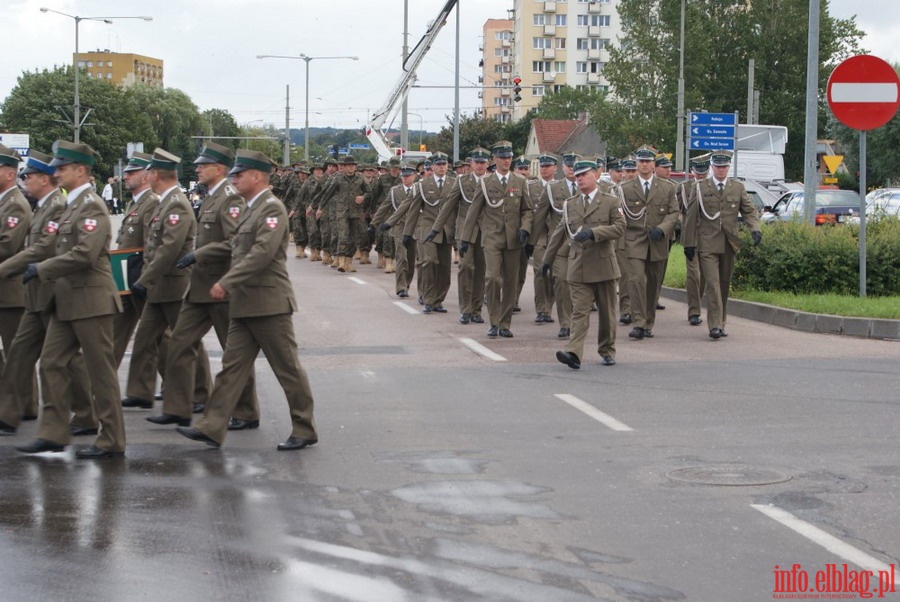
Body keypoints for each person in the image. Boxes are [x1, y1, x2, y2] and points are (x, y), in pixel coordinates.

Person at [177, 149, 318, 451]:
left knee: (288, 370)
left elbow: (261, 254)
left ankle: (304, 429)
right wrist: (201, 255)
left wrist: (226, 282)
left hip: (268, 305)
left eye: (239, 175)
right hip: (243, 305)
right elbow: (233, 245)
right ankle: (212, 427)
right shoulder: (249, 207)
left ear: (257, 177)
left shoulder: (272, 209)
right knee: (231, 369)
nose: (234, 179)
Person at [15, 140, 125, 459]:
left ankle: (112, 440)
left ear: (80, 170)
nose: (56, 173)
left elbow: (85, 254)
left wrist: (41, 269)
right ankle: (53, 432)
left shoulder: (90, 204)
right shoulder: (70, 205)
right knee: (50, 362)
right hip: (67, 301)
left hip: (92, 301)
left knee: (101, 373)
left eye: (62, 168)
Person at [147, 142, 260, 429]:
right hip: (198, 289)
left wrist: (200, 253)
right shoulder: (211, 196)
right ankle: (180, 406)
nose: (197, 168)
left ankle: (246, 413)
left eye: (203, 165)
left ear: (219, 169)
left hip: (220, 287)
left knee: (233, 355)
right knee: (179, 344)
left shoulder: (229, 198)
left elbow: (237, 241)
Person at [0, 150, 93, 435]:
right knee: (19, 353)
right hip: (36, 292)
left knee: (66, 359)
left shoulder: (56, 205)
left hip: (51, 292)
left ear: (44, 178)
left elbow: (41, 249)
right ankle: (10, 413)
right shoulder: (43, 205)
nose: (25, 181)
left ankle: (86, 415)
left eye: (28, 176)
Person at [122, 149, 198, 409]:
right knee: (145, 339)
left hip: (172, 283)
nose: (133, 176)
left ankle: (199, 394)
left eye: (144, 171)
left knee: (183, 341)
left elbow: (169, 248)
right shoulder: (165, 201)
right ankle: (140, 392)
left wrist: (145, 279)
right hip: (155, 282)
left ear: (154, 174)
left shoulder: (175, 202)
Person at [543, 160, 625, 369]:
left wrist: (595, 233)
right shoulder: (570, 204)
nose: (578, 179)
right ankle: (574, 353)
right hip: (578, 267)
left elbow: (620, 227)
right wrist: (546, 260)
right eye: (576, 176)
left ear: (596, 175)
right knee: (579, 310)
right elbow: (559, 233)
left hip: (603, 266)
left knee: (607, 313)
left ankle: (607, 349)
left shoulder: (610, 201)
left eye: (583, 175)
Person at [683, 150, 762, 339]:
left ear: (729, 168)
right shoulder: (701, 187)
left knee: (724, 284)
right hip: (707, 243)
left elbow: (749, 211)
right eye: (718, 166)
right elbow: (691, 217)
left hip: (729, 242)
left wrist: (755, 229)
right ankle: (714, 326)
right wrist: (689, 243)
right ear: (712, 167)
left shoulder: (737, 188)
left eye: (724, 167)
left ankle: (722, 321)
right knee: (712, 283)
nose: (721, 170)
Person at [459, 141, 533, 338]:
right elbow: (473, 213)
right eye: (502, 157)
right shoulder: (485, 182)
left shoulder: (520, 182)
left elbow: (527, 210)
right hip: (491, 237)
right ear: (494, 159)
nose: (506, 161)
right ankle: (493, 320)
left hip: (513, 239)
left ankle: (505, 323)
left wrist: (525, 228)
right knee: (492, 278)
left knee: (510, 282)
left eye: (509, 157)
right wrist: (465, 239)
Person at [619, 146, 679, 340]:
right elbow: (619, 215)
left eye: (648, 161)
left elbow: (673, 212)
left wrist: (663, 229)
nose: (644, 165)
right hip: (635, 240)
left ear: (654, 164)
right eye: (641, 161)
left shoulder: (668, 187)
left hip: (657, 241)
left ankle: (648, 323)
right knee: (635, 281)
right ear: (636, 164)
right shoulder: (625, 188)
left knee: (653, 284)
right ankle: (638, 323)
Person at [431, 148, 490, 325]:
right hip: (465, 231)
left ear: (487, 164)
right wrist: (435, 229)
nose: (479, 166)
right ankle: (465, 309)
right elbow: (449, 206)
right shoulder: (462, 181)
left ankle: (476, 309)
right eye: (476, 162)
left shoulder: (492, 181)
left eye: (483, 162)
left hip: (486, 231)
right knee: (465, 267)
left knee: (481, 271)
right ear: (471, 164)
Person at [532, 153, 578, 338]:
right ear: (563, 168)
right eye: (568, 166)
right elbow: (539, 217)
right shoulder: (553, 189)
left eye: (575, 166)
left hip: (584, 244)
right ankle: (565, 323)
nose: (572, 169)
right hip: (559, 243)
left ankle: (578, 319)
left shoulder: (589, 188)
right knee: (561, 280)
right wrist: (531, 241)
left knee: (580, 284)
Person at [0, 144, 32, 383]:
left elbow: (7, 245)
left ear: (10, 173)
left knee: (16, 350)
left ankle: (24, 404)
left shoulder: (15, 204)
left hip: (10, 289)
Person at [414, 152, 455, 314]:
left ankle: (438, 300)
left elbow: (459, 209)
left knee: (444, 267)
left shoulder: (453, 183)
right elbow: (413, 208)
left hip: (446, 230)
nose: (441, 167)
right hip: (428, 228)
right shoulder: (423, 184)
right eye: (438, 165)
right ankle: (428, 299)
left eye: (444, 164)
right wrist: (408, 232)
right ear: (432, 167)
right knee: (430, 261)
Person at [373, 163, 418, 298]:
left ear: (414, 176)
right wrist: (373, 223)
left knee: (411, 260)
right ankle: (401, 287)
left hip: (416, 227)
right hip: (399, 227)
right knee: (401, 257)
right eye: (403, 176)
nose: (405, 178)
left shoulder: (419, 189)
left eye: (408, 176)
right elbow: (384, 207)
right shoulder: (395, 191)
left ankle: (407, 283)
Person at [680, 154, 711, 326]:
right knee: (694, 275)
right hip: (690, 237)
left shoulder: (712, 187)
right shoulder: (684, 188)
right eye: (698, 172)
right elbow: (677, 211)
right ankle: (694, 311)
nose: (700, 175)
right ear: (692, 171)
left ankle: (696, 302)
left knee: (705, 276)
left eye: (703, 172)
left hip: (708, 238)